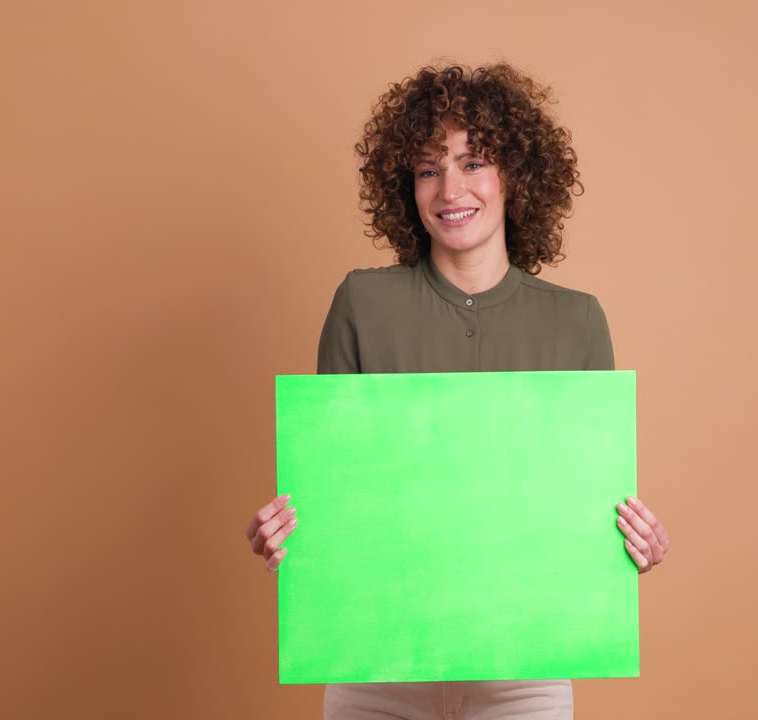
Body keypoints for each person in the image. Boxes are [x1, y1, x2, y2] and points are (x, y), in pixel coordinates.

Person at [245, 62, 671, 719]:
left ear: (514, 178)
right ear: (406, 188)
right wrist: (290, 539)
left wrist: (632, 550)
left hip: (526, 669)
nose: (450, 188)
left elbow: (581, 508)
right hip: (377, 665)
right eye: (427, 169)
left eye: (473, 163)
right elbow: (336, 498)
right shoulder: (361, 303)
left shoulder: (578, 320)